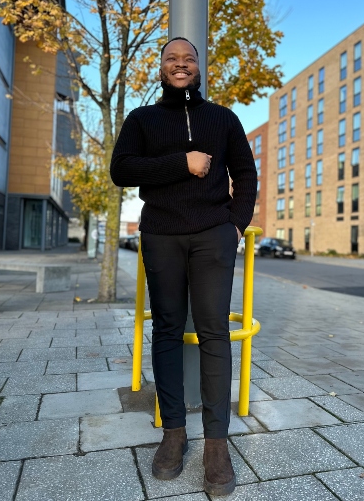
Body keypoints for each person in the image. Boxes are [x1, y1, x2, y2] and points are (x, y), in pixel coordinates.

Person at [110, 37, 257, 496]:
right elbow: (122, 170)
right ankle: (173, 435)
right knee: (168, 329)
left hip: (213, 234)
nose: (180, 65)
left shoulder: (224, 118)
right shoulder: (142, 119)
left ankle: (217, 444)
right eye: (172, 59)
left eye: (188, 59)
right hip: (161, 235)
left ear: (199, 67)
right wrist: (182, 162)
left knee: (213, 331)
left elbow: (246, 175)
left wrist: (234, 225)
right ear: (161, 68)